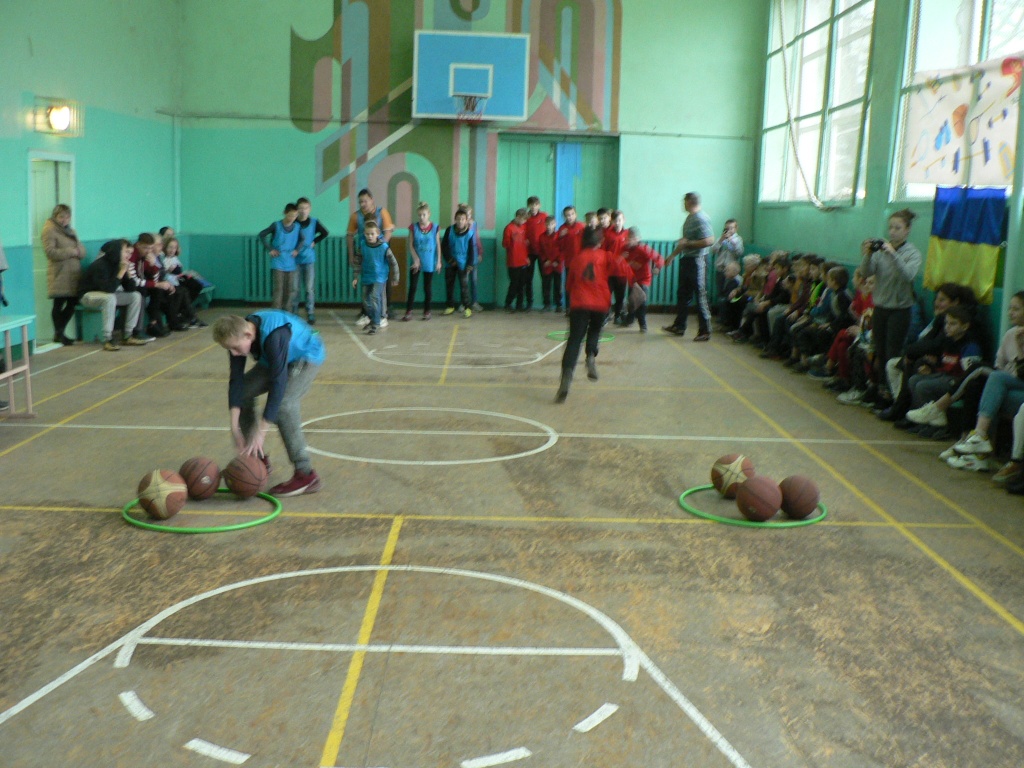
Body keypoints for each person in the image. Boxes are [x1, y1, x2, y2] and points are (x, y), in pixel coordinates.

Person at [212, 311, 324, 497]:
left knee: (284, 406)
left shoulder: (274, 336)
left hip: (304, 355)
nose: (233, 353)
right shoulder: (237, 333)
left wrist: (261, 432)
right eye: (229, 349)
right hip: (275, 357)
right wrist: (234, 429)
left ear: (248, 335)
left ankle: (306, 474)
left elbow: (278, 384)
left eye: (235, 348)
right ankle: (256, 458)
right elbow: (236, 382)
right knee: (244, 391)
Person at [930, 291, 1024, 474]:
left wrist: (1020, 350)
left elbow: (1020, 373)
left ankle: (970, 432)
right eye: (1010, 308)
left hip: (1018, 387)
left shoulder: (1017, 338)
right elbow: (999, 364)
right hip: (1009, 385)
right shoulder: (1010, 334)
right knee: (980, 386)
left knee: (990, 377)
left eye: (1016, 309)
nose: (1010, 313)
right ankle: (972, 446)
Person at [860, 209, 922, 401]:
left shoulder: (913, 253)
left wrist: (893, 254)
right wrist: (868, 255)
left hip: (900, 310)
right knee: (879, 351)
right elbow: (866, 272)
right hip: (881, 308)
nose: (893, 232)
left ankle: (892, 394)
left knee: (892, 354)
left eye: (898, 228)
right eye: (891, 228)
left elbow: (908, 276)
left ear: (907, 230)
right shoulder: (880, 252)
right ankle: (879, 388)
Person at [556, 227, 615, 402]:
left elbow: (569, 285)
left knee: (574, 339)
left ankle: (567, 375)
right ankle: (590, 356)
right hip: (600, 303)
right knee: (595, 330)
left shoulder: (577, 258)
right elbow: (619, 271)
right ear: (600, 241)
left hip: (580, 302)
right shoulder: (606, 256)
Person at [77, 240, 149, 351]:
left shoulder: (119, 264)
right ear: (116, 251)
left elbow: (131, 288)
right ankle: (108, 338)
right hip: (87, 295)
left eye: (130, 253)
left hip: (106, 295)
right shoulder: (100, 265)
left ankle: (128, 335)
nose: (128, 256)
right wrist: (121, 272)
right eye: (125, 252)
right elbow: (108, 289)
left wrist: (127, 273)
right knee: (110, 298)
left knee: (135, 296)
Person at [663, 192, 715, 341]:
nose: (683, 204)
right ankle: (679, 326)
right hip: (687, 260)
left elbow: (709, 240)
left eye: (684, 201)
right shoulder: (690, 218)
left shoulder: (701, 218)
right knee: (683, 294)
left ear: (689, 202)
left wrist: (689, 243)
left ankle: (705, 331)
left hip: (698, 261)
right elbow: (684, 242)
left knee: (700, 295)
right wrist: (672, 256)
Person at [347, 189, 395, 325]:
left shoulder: (382, 212)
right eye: (360, 202)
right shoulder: (355, 216)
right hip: (365, 256)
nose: (363, 204)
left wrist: (380, 248)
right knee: (366, 285)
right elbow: (349, 236)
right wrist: (351, 255)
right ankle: (367, 314)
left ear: (372, 200)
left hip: (379, 256)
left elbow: (388, 232)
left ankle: (383, 314)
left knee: (381, 286)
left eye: (365, 201)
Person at [42, 204, 85, 345]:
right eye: (61, 217)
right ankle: (59, 333)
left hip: (73, 274)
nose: (64, 220)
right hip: (59, 273)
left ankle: (59, 333)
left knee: (72, 303)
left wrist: (79, 252)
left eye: (67, 217)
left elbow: (81, 250)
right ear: (55, 216)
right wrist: (72, 252)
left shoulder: (71, 231)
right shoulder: (49, 230)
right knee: (58, 303)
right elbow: (50, 252)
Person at [351, 221, 399, 334]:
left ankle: (376, 323)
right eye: (367, 234)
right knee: (365, 300)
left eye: (372, 234)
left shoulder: (383, 247)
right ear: (364, 234)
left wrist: (396, 276)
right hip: (367, 276)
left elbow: (393, 262)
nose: (370, 236)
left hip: (379, 277)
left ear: (377, 233)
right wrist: (355, 277)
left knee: (374, 297)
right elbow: (357, 261)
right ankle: (373, 319)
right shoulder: (363, 245)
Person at [258, 203, 300, 311]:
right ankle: (276, 311)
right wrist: (270, 248)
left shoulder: (297, 227)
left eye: (295, 216)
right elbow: (262, 234)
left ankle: (287, 311)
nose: (292, 218)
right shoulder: (276, 225)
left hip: (290, 261)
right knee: (279, 288)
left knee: (289, 289)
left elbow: (302, 239)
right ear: (285, 213)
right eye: (290, 215)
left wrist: (297, 249)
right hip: (278, 260)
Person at [620, 226, 663, 332]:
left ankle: (643, 324)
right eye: (627, 238)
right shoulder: (624, 249)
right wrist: (622, 259)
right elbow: (618, 261)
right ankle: (630, 320)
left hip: (643, 279)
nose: (628, 240)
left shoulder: (643, 248)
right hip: (632, 280)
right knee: (632, 300)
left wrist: (657, 267)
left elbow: (659, 258)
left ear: (637, 239)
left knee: (641, 302)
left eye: (631, 238)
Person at [294, 197, 329, 324]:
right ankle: (294, 312)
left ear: (310, 209)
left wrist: (315, 241)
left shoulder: (314, 222)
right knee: (295, 289)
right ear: (297, 210)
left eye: (305, 208)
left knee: (309, 288)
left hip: (308, 260)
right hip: (295, 260)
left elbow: (325, 233)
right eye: (300, 208)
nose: (303, 211)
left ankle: (310, 312)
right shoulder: (293, 223)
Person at [404, 201, 441, 321]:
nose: (421, 217)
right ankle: (409, 311)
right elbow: (410, 245)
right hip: (416, 262)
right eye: (419, 215)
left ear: (429, 214)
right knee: (413, 286)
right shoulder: (413, 227)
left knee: (427, 287)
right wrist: (415, 258)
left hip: (429, 261)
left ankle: (427, 311)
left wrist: (438, 261)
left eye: (424, 215)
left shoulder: (435, 228)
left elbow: (438, 245)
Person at [441, 208, 475, 317]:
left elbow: (472, 250)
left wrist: (469, 265)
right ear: (455, 219)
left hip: (463, 264)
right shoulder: (449, 230)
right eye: (458, 219)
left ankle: (467, 307)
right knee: (449, 286)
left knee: (464, 287)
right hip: (450, 263)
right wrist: (450, 260)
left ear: (466, 220)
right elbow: (444, 246)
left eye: (463, 219)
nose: (460, 221)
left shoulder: (470, 233)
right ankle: (450, 306)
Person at [558, 206, 585, 315]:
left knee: (581, 285)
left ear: (575, 214)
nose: (570, 217)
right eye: (567, 215)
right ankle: (569, 308)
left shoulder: (581, 226)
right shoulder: (562, 229)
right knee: (569, 285)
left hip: (581, 262)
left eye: (572, 214)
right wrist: (561, 236)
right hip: (569, 262)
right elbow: (559, 247)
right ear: (564, 217)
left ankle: (581, 308)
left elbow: (586, 243)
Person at [502, 209, 530, 312]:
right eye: (523, 219)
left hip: (523, 260)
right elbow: (505, 244)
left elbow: (526, 244)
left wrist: (527, 257)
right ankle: (508, 303)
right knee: (514, 284)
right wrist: (511, 241)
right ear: (517, 217)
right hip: (513, 261)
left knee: (522, 284)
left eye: (525, 220)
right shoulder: (509, 228)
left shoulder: (524, 227)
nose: (524, 222)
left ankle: (519, 304)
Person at [523, 196, 547, 310]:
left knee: (545, 277)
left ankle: (547, 303)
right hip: (529, 252)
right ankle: (529, 303)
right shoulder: (525, 218)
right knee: (528, 278)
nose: (533, 207)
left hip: (542, 252)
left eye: (535, 204)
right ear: (528, 206)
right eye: (531, 205)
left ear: (539, 205)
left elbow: (550, 231)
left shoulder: (544, 216)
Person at [538, 215, 563, 312]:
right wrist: (545, 261)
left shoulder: (559, 236)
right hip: (547, 265)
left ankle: (558, 305)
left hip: (557, 265)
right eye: (547, 224)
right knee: (546, 285)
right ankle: (546, 304)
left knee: (557, 285)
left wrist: (557, 261)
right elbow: (540, 251)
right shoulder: (541, 237)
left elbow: (562, 250)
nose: (549, 226)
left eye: (551, 224)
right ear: (545, 225)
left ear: (555, 224)